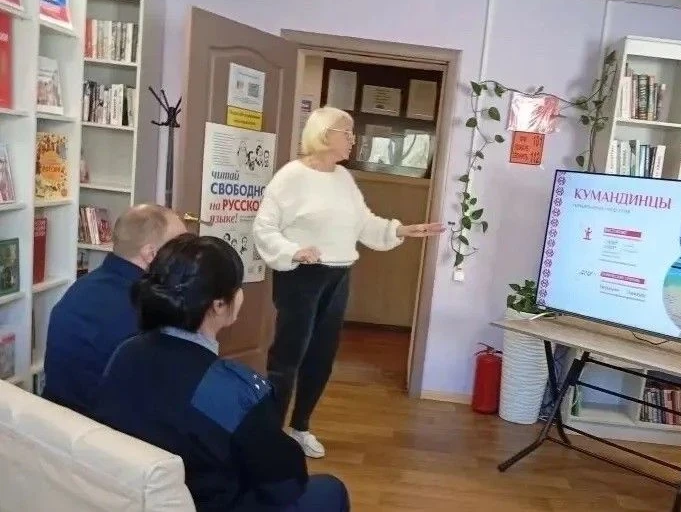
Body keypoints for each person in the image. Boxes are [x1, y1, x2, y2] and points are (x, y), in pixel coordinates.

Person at [93, 234, 349, 512]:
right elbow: (286, 485)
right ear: (218, 305)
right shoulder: (235, 391)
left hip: (134, 498)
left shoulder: (125, 352)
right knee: (330, 490)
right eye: (238, 287)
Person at [252, 106, 444, 458]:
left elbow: (363, 223)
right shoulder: (291, 176)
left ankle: (300, 427)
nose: (353, 139)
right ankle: (269, 435)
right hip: (302, 277)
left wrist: (402, 230)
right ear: (324, 134)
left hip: (338, 275)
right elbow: (264, 228)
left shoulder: (343, 177)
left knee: (322, 357)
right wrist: (293, 251)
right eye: (347, 132)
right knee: (288, 357)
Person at [42, 204, 186, 416]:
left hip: (55, 415)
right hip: (102, 426)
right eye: (180, 248)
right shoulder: (145, 306)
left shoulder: (82, 286)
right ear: (151, 254)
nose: (187, 256)